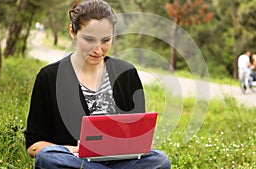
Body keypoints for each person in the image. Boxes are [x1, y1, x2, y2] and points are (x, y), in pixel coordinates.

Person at [24, 0, 171, 168]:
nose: (98, 49)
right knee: (47, 158)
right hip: (76, 161)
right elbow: (34, 146)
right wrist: (78, 149)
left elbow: (137, 139)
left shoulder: (126, 73)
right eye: (89, 39)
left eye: (105, 40)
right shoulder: (49, 77)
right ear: (73, 32)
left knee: (159, 160)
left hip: (121, 162)